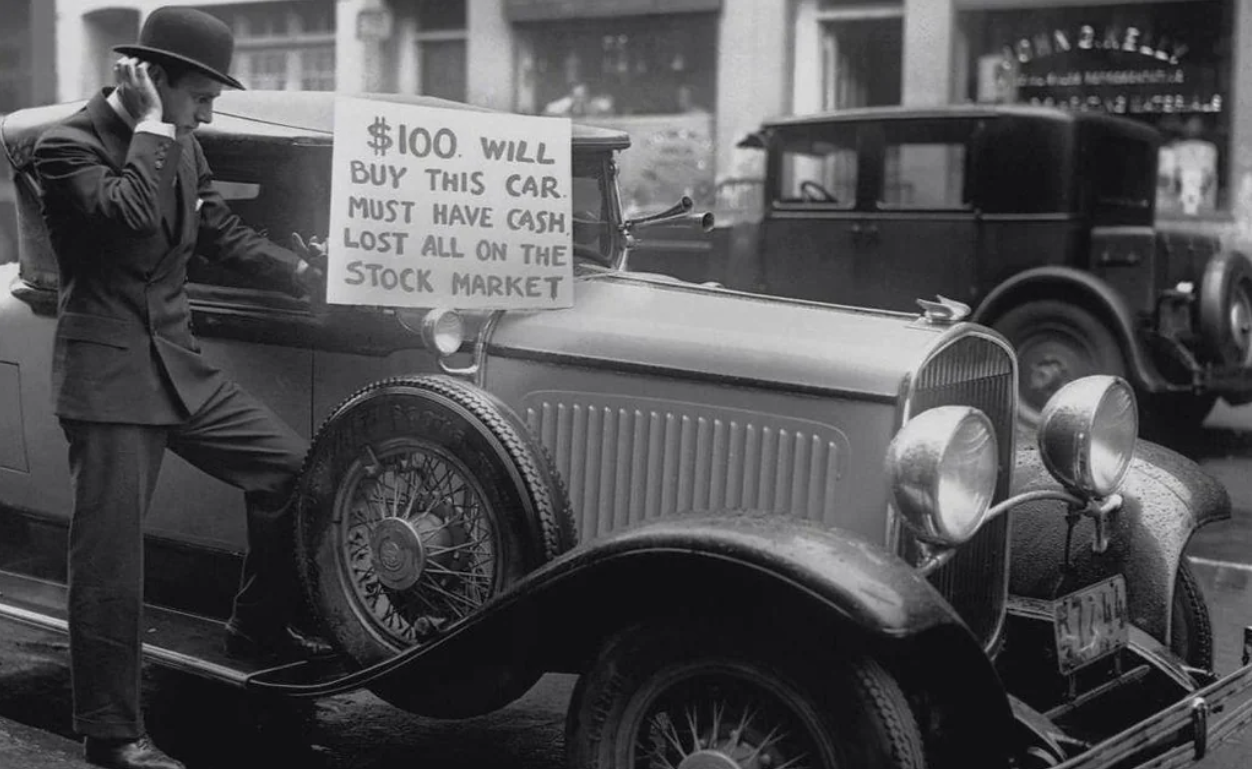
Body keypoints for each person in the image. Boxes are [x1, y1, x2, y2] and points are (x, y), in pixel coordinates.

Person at [32, 7, 331, 769]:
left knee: (295, 470)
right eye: (200, 97)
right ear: (152, 78)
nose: (207, 114)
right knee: (110, 566)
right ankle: (111, 733)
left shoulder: (181, 142)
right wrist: (153, 128)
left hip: (177, 365)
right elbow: (129, 218)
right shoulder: (66, 146)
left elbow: (216, 230)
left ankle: (255, 626)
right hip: (109, 380)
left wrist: (300, 269)